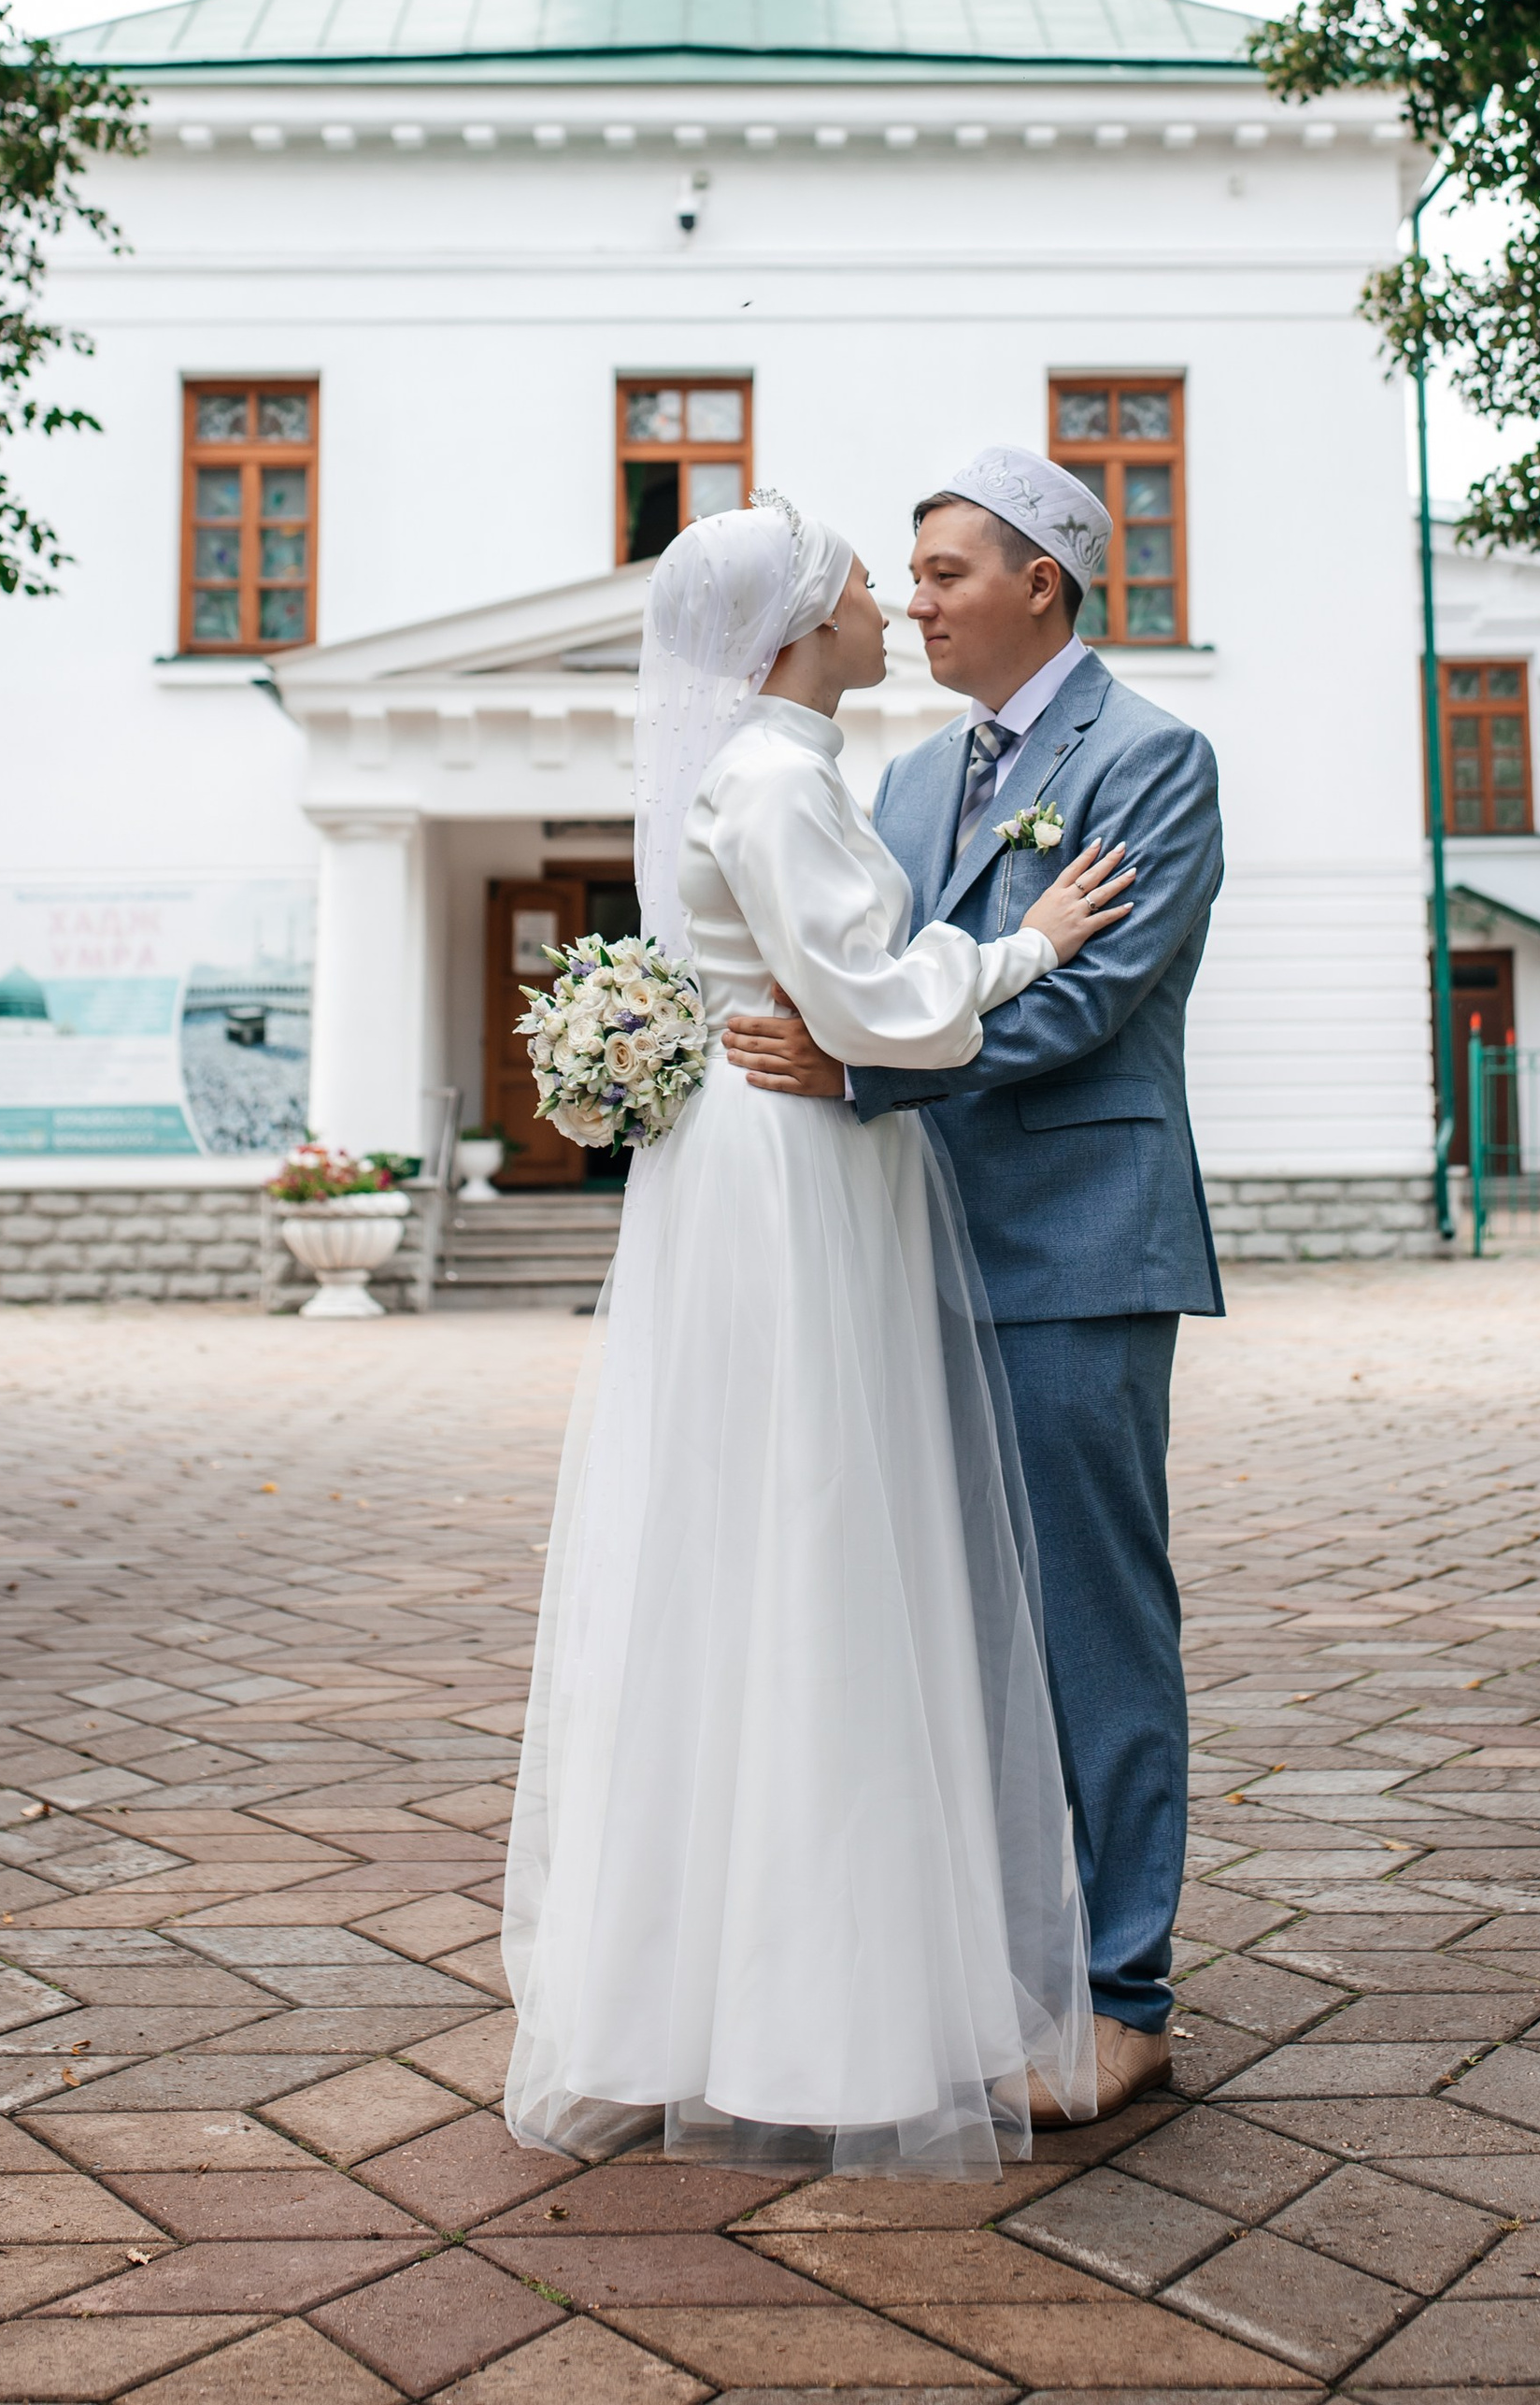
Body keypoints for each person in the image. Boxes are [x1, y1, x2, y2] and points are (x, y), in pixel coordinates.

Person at [501, 491, 1138, 2177]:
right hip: (791, 1174)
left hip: (779, 1162)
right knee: (815, 1535)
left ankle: (708, 1990)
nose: (888, 601)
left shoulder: (778, 767)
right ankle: (812, 2012)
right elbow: (865, 998)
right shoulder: (779, 780)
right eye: (864, 578)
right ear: (797, 627)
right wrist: (1027, 945)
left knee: (763, 1539)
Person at [725, 449, 1224, 2122]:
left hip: (1078, 1243)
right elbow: (867, 973)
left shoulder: (1155, 761)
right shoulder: (914, 775)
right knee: (952, 1628)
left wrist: (860, 1073)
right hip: (910, 1245)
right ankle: (996, 1968)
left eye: (944, 573)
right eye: (913, 577)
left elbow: (1086, 1001)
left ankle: (1125, 1993)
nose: (917, 602)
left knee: (1091, 1620)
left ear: (1042, 584)